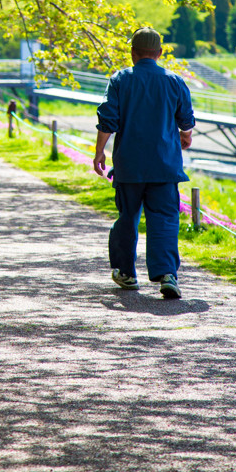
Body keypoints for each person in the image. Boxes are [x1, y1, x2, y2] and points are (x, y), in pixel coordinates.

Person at [93, 27, 195, 300]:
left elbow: (108, 119)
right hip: (165, 166)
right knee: (164, 219)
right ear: (159, 53)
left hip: (130, 166)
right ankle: (167, 275)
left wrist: (100, 151)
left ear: (132, 53)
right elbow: (186, 119)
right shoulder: (175, 81)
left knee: (128, 218)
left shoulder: (120, 80)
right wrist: (186, 135)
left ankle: (126, 273)